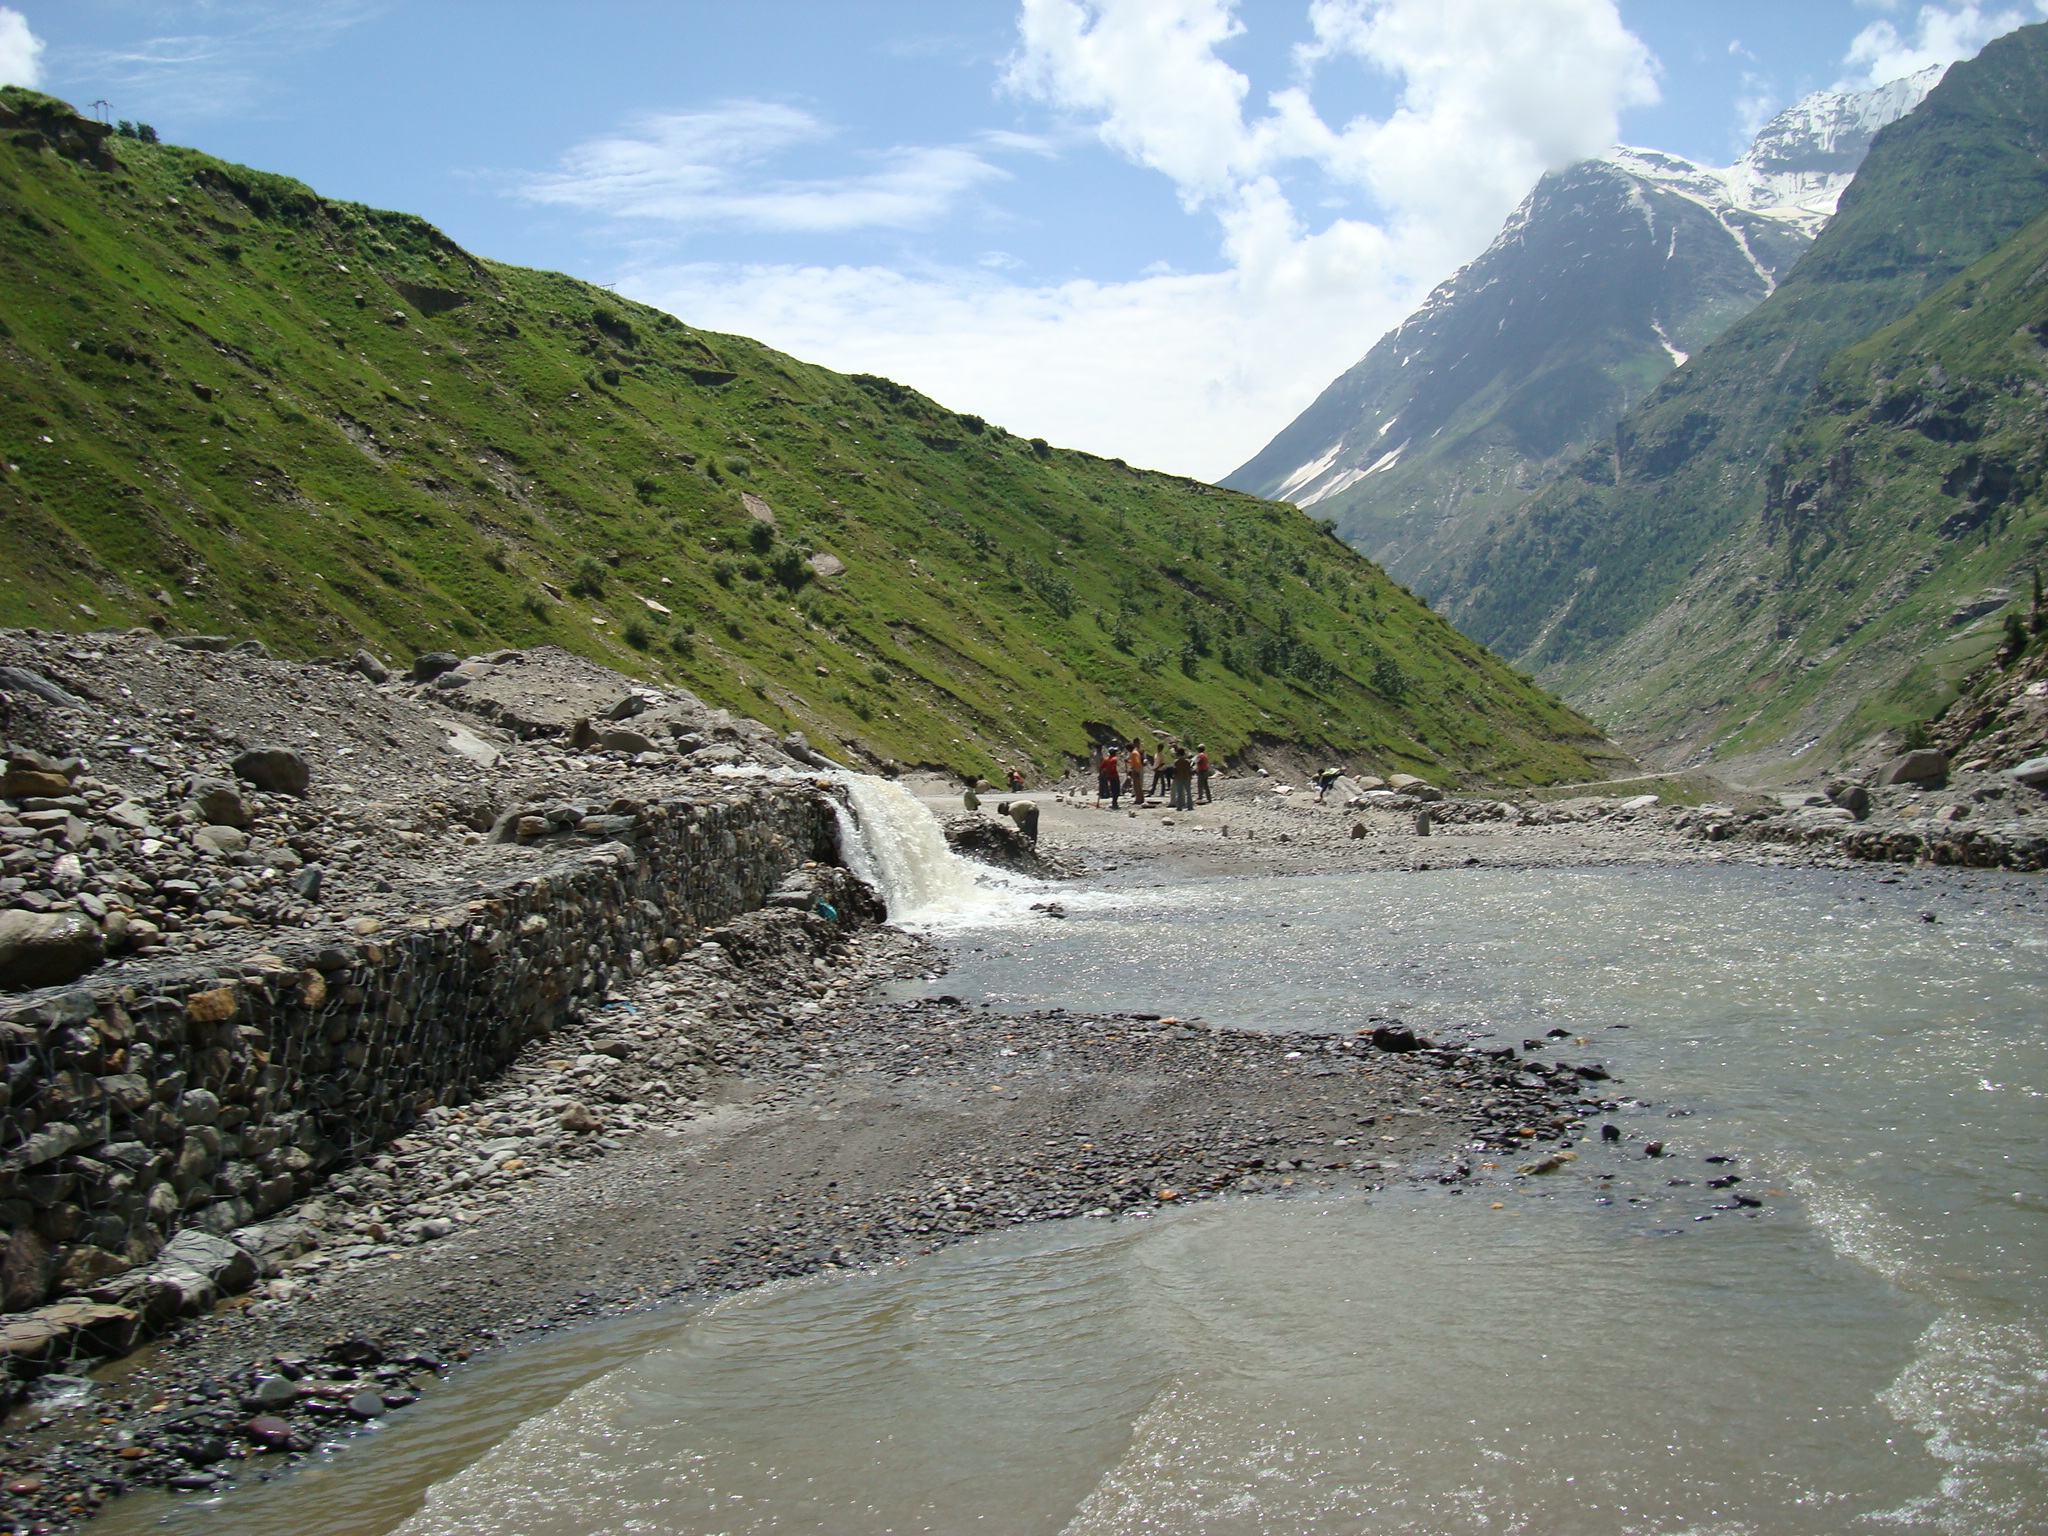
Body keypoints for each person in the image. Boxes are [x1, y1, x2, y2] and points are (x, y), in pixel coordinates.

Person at [1126, 741, 1145, 805]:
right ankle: (1141, 799)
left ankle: (1138, 799)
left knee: (1136, 786)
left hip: (1136, 770)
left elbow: (1137, 762)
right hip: (1137, 769)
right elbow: (1134, 761)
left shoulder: (1134, 753)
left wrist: (1136, 771)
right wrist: (1129, 761)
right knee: (1138, 785)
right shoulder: (1136, 752)